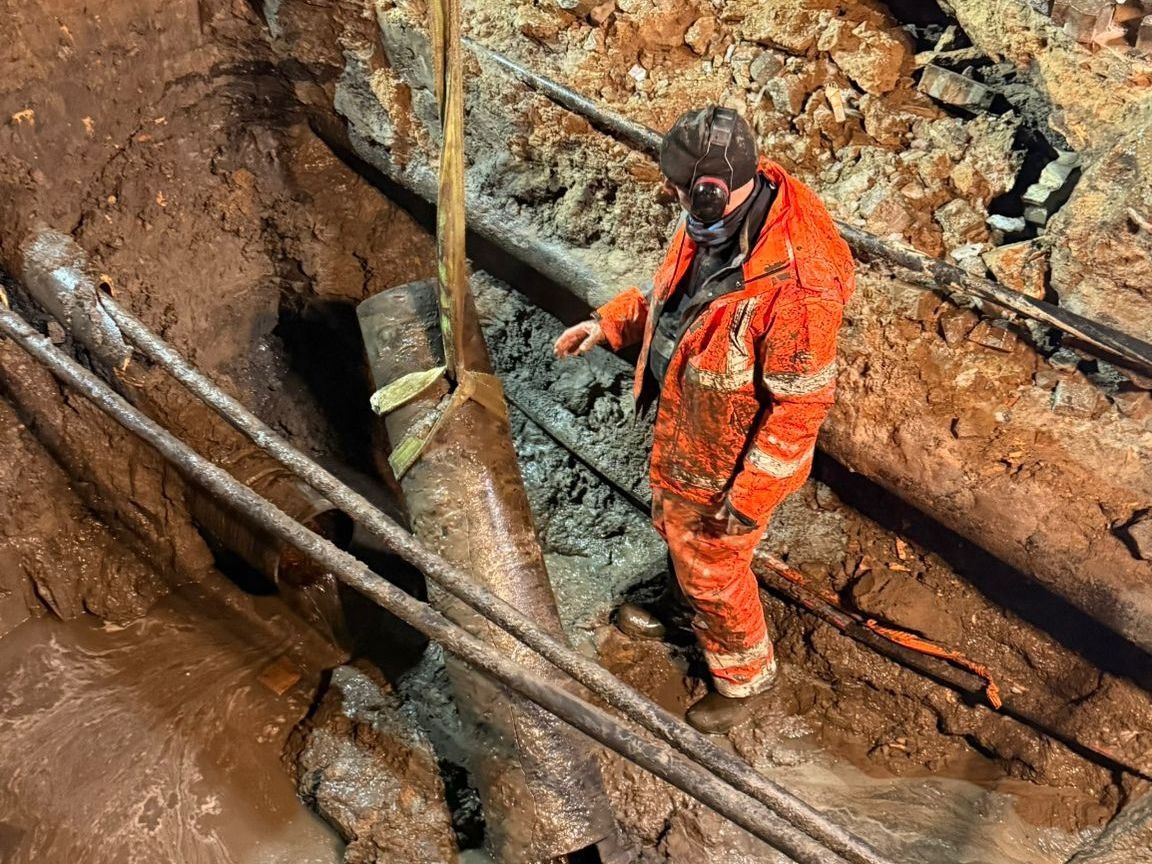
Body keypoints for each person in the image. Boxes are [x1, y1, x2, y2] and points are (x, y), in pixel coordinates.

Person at [553, 106, 856, 734]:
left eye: (679, 185)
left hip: (727, 457)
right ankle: (683, 601)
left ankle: (745, 678)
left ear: (714, 185)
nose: (669, 195)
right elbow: (673, 302)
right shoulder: (718, 221)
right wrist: (607, 323)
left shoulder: (797, 286)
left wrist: (749, 498)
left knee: (715, 566)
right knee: (678, 533)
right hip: (690, 425)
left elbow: (801, 407)